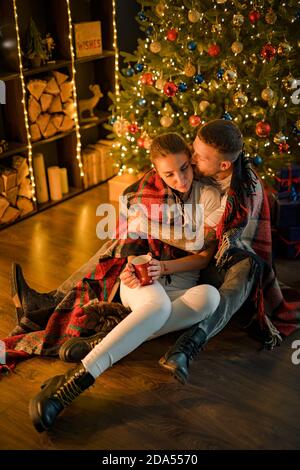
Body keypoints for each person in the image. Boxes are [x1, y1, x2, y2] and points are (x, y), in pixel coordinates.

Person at [23, 132, 224, 432]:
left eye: (184, 168)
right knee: (156, 307)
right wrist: (133, 262)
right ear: (156, 172)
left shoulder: (208, 195)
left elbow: (202, 254)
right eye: (169, 173)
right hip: (141, 284)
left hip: (180, 281)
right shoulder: (141, 194)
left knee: (210, 297)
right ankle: (72, 383)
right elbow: (128, 244)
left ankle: (107, 340)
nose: (180, 179)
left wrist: (161, 259)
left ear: (190, 159)